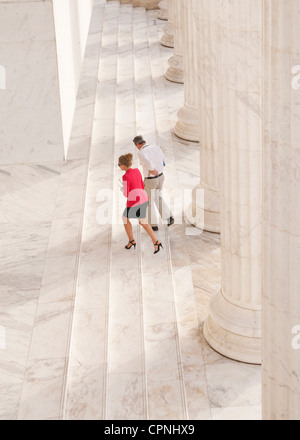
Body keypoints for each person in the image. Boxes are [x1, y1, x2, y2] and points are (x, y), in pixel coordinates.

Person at [118, 153, 163, 254]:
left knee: (125, 219)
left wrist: (121, 188)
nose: (119, 166)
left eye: (119, 164)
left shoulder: (125, 176)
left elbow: (126, 194)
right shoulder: (137, 170)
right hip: (143, 198)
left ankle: (132, 240)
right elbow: (141, 184)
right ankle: (156, 242)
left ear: (124, 165)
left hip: (135, 201)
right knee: (143, 222)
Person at [133, 135, 174, 232]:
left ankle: (153, 225)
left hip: (151, 180)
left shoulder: (141, 152)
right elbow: (162, 161)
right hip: (161, 177)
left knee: (148, 202)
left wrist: (152, 170)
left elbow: (148, 162)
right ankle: (168, 218)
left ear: (138, 144)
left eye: (136, 146)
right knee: (158, 197)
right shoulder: (156, 147)